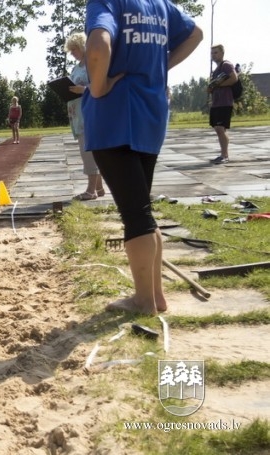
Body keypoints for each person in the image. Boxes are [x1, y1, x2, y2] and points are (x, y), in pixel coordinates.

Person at [83, 0, 203, 315]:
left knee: (135, 215)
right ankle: (156, 297)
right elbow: (196, 33)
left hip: (115, 116)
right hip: (151, 113)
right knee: (142, 210)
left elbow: (97, 47)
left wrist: (98, 87)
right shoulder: (161, 5)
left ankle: (143, 301)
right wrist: (161, 67)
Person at [64, 32, 106, 201]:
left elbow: (101, 85)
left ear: (82, 46)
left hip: (90, 114)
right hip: (78, 116)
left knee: (88, 153)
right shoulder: (77, 67)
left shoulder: (91, 64)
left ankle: (91, 190)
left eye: (74, 49)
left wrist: (84, 90)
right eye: (70, 50)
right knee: (90, 152)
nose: (72, 53)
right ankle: (99, 187)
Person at [207, 44, 238, 164]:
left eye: (216, 52)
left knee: (220, 128)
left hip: (225, 102)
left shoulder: (226, 65)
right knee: (218, 129)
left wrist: (218, 85)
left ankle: (225, 155)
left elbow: (234, 78)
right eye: (212, 53)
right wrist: (211, 88)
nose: (213, 55)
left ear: (222, 53)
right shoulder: (216, 70)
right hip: (216, 103)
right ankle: (222, 154)